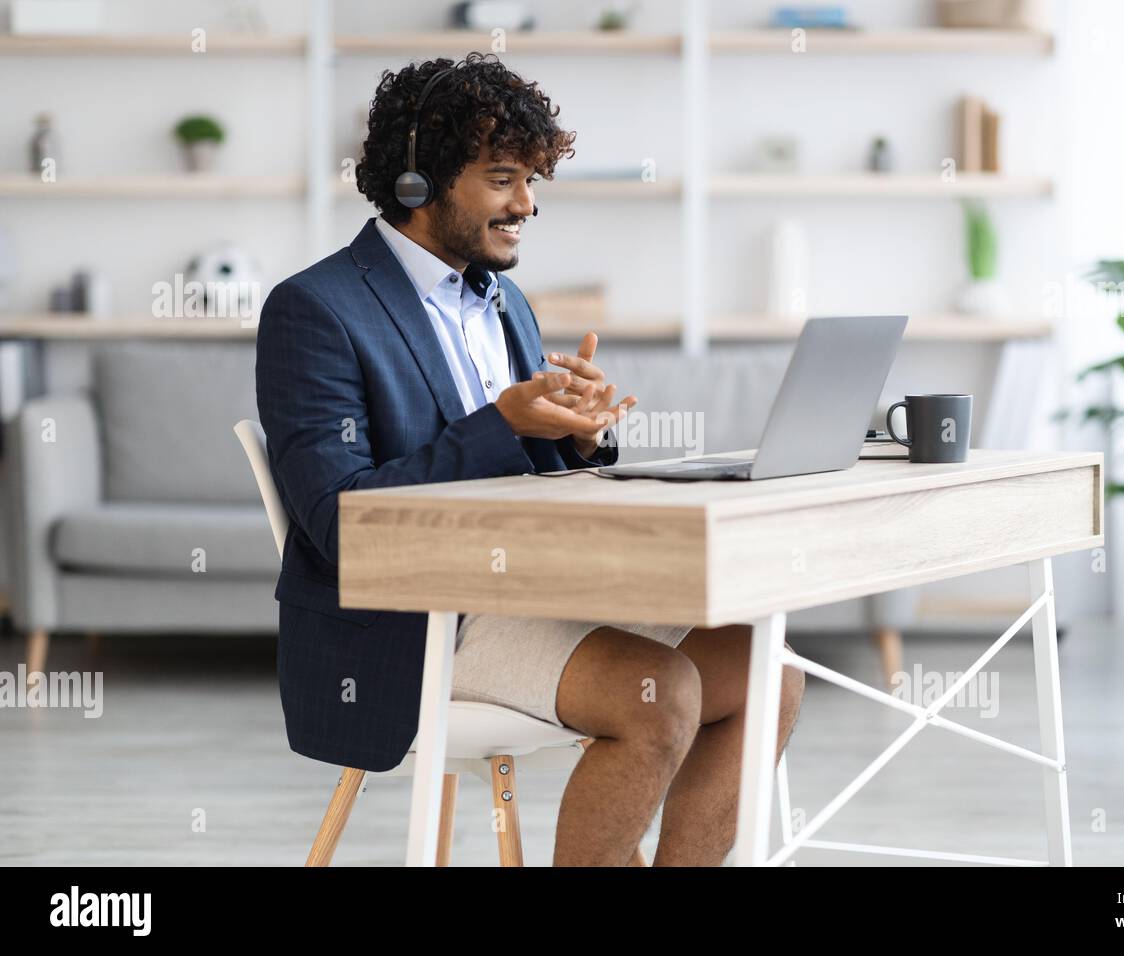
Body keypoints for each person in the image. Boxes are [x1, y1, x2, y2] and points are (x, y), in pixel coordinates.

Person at [255, 53, 803, 866]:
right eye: (504, 179)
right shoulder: (316, 310)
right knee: (663, 698)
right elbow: (343, 523)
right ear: (418, 182)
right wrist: (500, 421)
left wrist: (575, 437)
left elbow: (522, 471)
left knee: (769, 670)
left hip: (527, 590)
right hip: (417, 627)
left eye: (533, 179)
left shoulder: (502, 297)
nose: (528, 205)